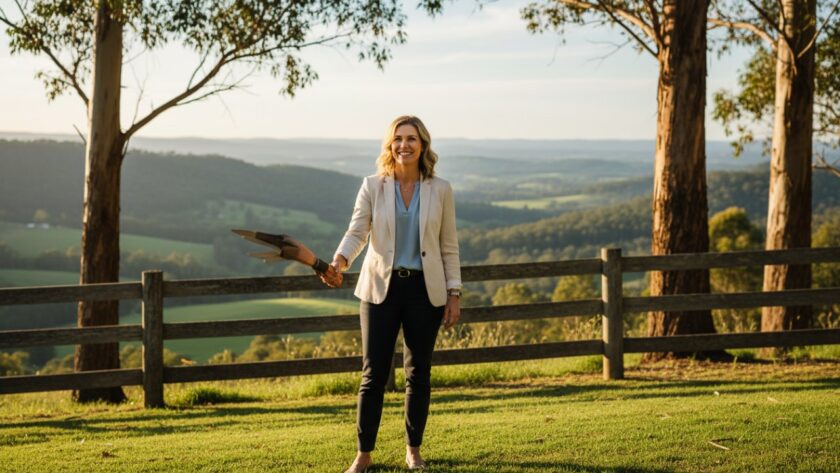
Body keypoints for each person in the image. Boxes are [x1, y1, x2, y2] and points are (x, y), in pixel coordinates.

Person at [320, 115, 461, 472]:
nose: (404, 145)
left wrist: (454, 292)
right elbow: (357, 232)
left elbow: (448, 246)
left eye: (411, 138)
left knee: (419, 373)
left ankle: (413, 450)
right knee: (373, 375)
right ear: (390, 144)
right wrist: (340, 260)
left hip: (424, 291)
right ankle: (363, 454)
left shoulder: (441, 189)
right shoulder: (373, 186)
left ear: (423, 145)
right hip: (379, 289)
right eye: (398, 138)